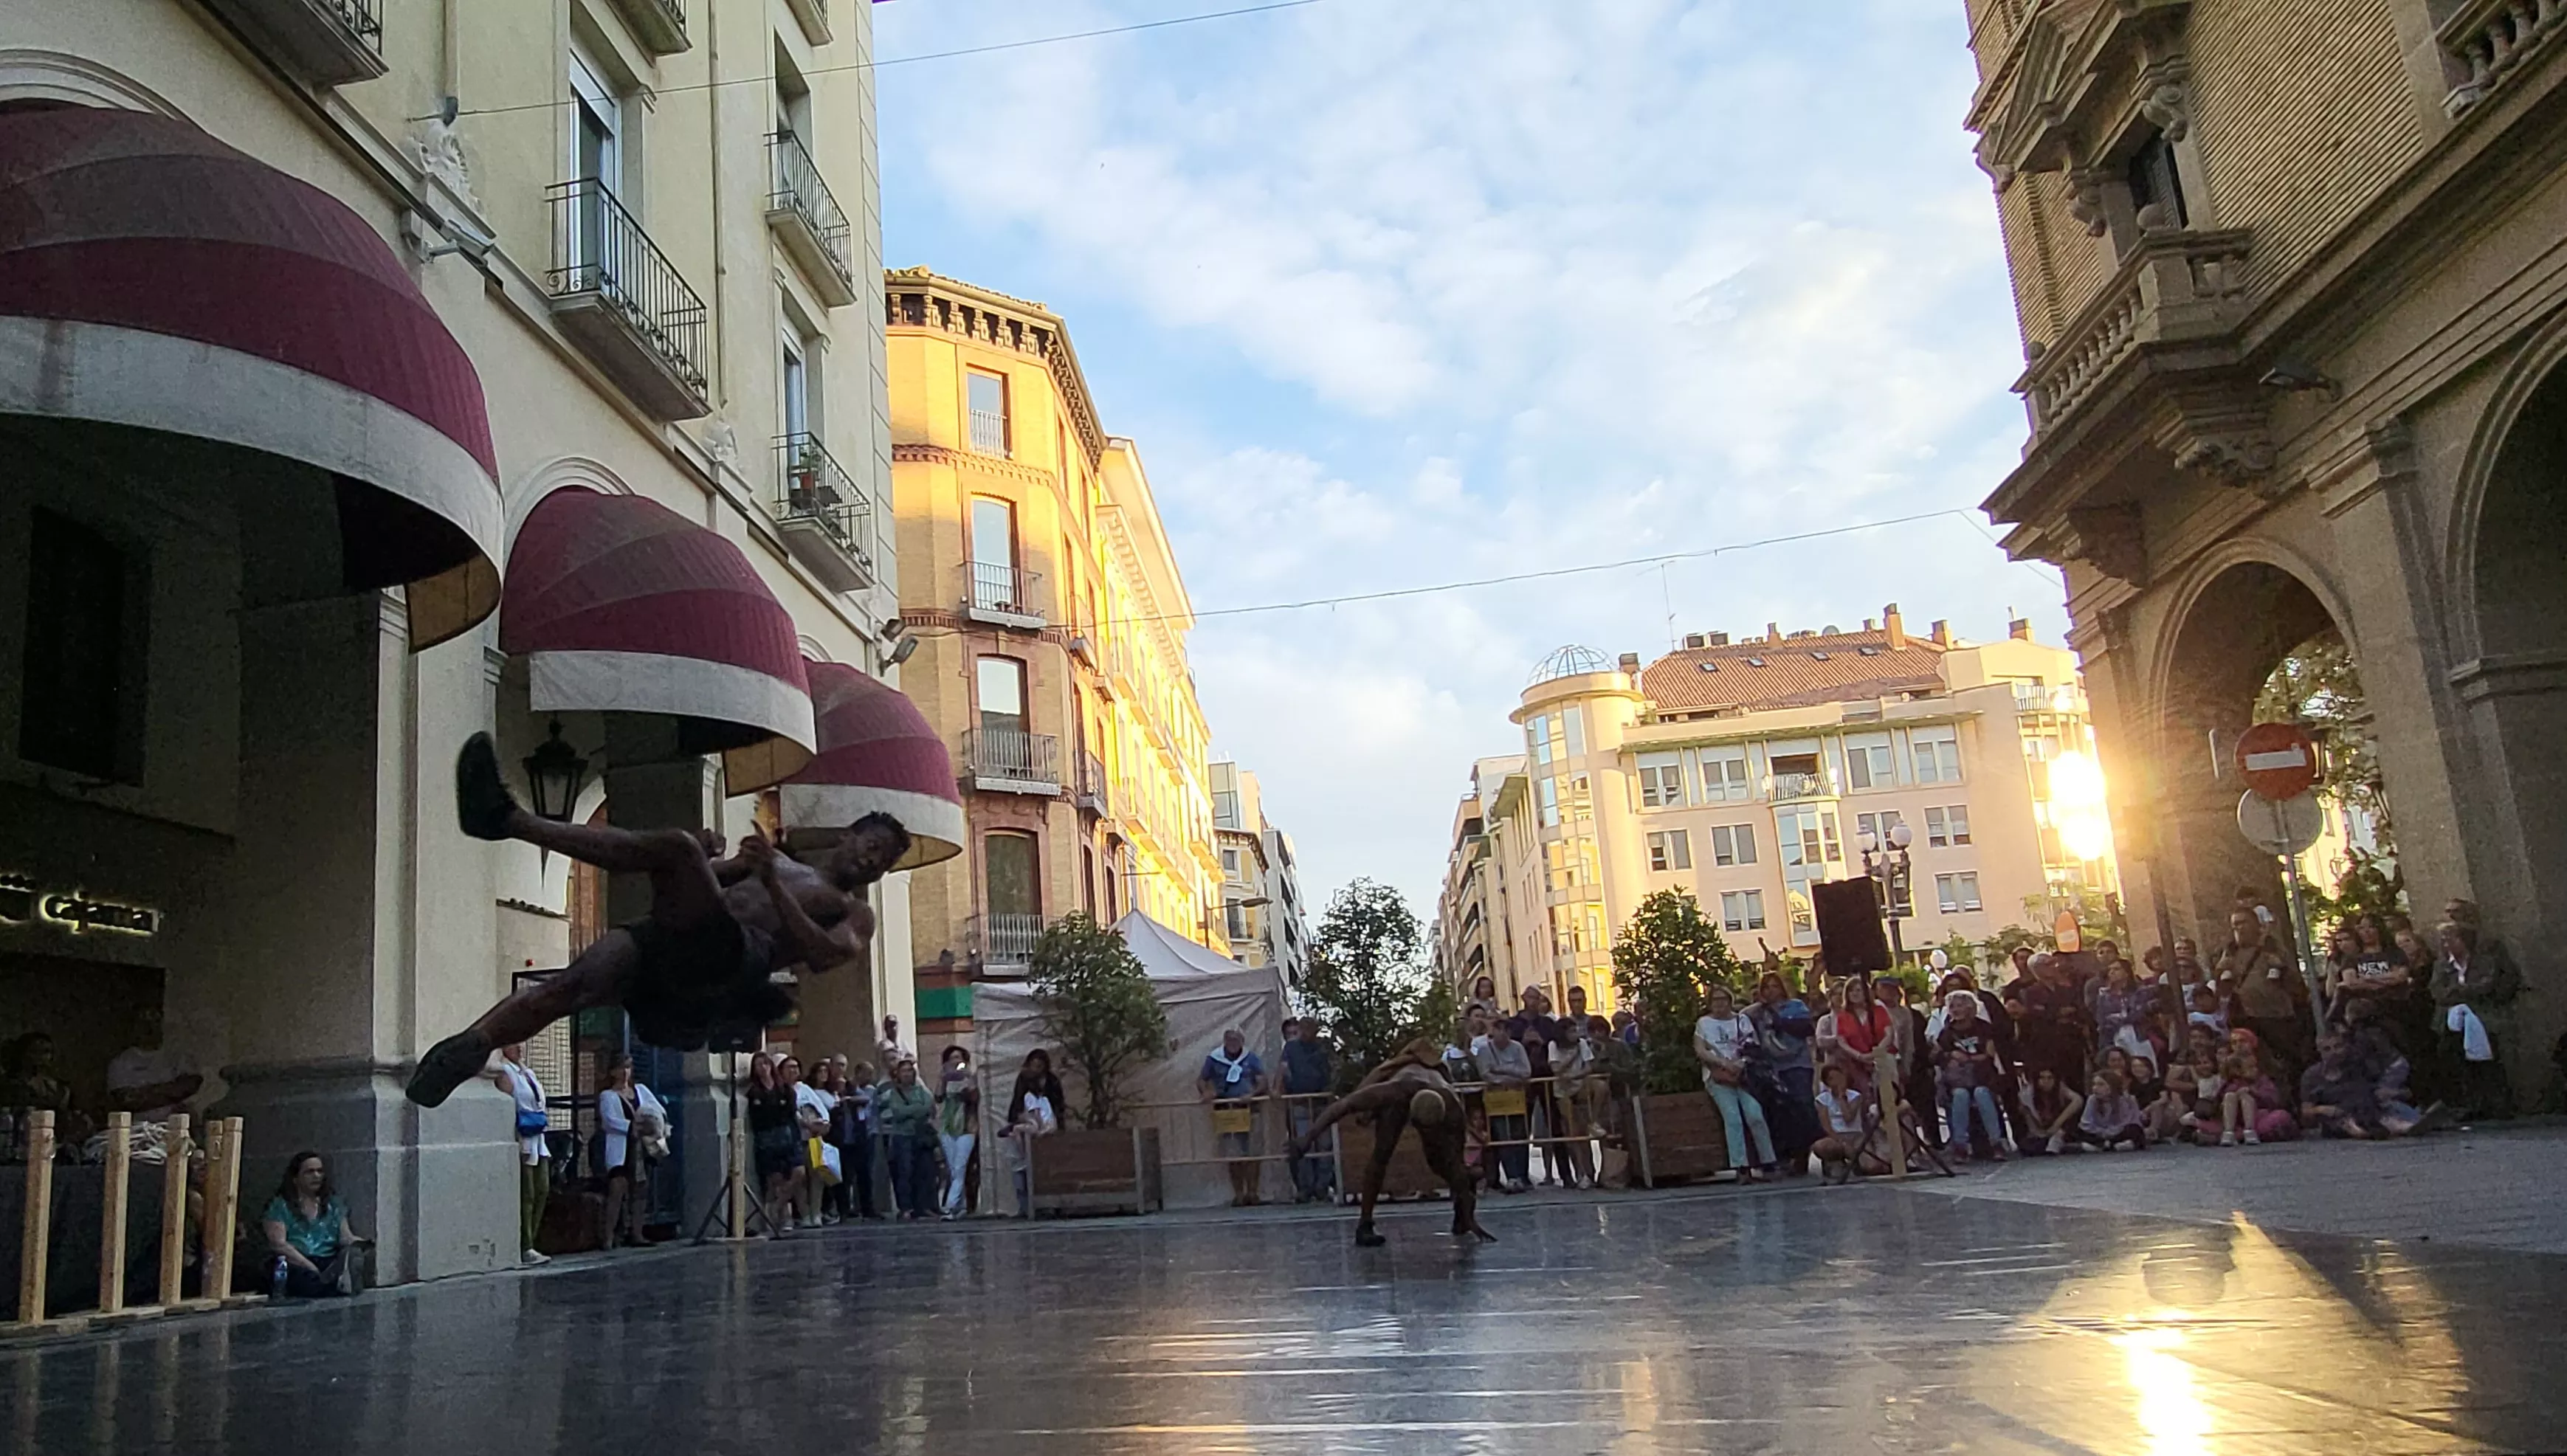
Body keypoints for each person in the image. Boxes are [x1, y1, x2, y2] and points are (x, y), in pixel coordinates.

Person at [408, 734, 910, 1107]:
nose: (871, 861)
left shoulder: (854, 911)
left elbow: (824, 956)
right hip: (674, 938)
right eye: (871, 846)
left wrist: (765, 883)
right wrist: (713, 862)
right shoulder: (777, 858)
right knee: (569, 986)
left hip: (732, 959)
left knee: (676, 847)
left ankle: (505, 820)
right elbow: (710, 882)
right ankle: (472, 1046)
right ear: (848, 835)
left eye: (881, 860)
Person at [1289, 1042, 1492, 1247]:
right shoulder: (1394, 1092)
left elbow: (1455, 1161)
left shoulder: (1451, 1109)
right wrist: (1307, 1139)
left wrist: (1470, 1215)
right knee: (1382, 1153)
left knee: (1441, 1162)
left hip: (1436, 1100)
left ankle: (1463, 1205)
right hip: (1401, 1094)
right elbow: (1343, 1106)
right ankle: (1365, 1223)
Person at [2431, 918, 2521, 1121]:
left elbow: (2486, 986)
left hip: (2484, 1016)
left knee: (2490, 1060)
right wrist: (2462, 991)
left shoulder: (2485, 961)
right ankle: (2470, 1103)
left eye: (2451, 940)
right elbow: (2438, 992)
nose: (2447, 946)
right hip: (2453, 1020)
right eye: (2444, 942)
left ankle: (2499, 1103)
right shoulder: (2442, 965)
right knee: (2456, 1058)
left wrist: (2459, 990)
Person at [2216, 908, 2310, 1088]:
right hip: (2246, 1017)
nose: (2239, 928)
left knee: (2284, 1064)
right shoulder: (2230, 953)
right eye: (2235, 925)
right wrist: (2222, 971)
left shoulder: (2273, 948)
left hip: (2277, 1016)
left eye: (2244, 923)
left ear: (2256, 925)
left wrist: (2279, 967)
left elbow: (2295, 982)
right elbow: (2222, 989)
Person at [1694, 985, 1777, 1182]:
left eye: (1723, 999)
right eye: (1715, 1000)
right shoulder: (1704, 1023)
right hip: (1718, 1076)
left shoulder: (1742, 1020)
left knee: (1755, 1114)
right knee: (1733, 1118)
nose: (1719, 1004)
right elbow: (1701, 1049)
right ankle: (1741, 1166)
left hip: (1743, 1076)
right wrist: (1722, 1063)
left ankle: (1768, 1161)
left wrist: (1741, 1063)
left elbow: (1752, 1047)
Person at [260, 1152, 368, 1298]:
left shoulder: (333, 1204)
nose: (316, 1176)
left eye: (320, 1171)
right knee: (304, 1280)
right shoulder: (280, 1206)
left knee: (333, 1271)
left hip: (326, 1259)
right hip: (296, 1261)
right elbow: (279, 1244)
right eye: (310, 1172)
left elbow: (345, 1236)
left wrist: (359, 1245)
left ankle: (335, 1280)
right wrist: (310, 1267)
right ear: (295, 1178)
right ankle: (332, 1284)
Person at [1746, 973, 1819, 1176]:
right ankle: (1784, 1155)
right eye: (1767, 987)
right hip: (1773, 1068)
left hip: (1797, 1065)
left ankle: (1805, 1153)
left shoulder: (1795, 1006)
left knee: (1803, 1106)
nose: (1771, 991)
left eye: (1774, 986)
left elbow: (1806, 1028)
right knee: (1781, 1113)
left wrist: (1781, 1022)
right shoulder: (1757, 1013)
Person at [2299, 1030, 2421, 1139]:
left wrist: (2395, 1092)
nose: (2334, 1052)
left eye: (2338, 1046)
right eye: (2327, 1049)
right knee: (2343, 1122)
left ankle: (2407, 1123)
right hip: (2339, 1117)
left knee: (2391, 1107)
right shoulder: (2312, 1076)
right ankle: (2370, 1129)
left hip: (2368, 1109)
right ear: (2319, 1051)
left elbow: (2373, 1090)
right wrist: (2321, 1109)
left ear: (2345, 1047)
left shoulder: (2357, 1066)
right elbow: (2306, 1112)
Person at [1196, 1028, 1267, 1207]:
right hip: (1227, 1111)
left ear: (1242, 1041)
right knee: (1233, 1154)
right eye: (1230, 1040)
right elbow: (1201, 1079)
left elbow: (1263, 1080)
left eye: (1237, 1040)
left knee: (1253, 1154)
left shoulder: (1251, 1058)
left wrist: (1252, 1094)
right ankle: (1239, 1194)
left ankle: (1253, 1193)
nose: (1233, 1043)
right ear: (1225, 1041)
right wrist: (1207, 1092)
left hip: (1250, 1109)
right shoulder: (1214, 1058)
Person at [493, 1043, 551, 1263]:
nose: (520, 1047)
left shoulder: (527, 1072)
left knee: (542, 1189)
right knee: (527, 1192)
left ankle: (532, 1239)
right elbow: (509, 1105)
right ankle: (525, 1245)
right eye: (514, 1043)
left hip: (538, 1136)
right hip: (523, 1135)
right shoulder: (504, 1071)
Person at [1934, 990, 2008, 1162]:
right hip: (1958, 1080)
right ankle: (1961, 1145)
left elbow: (1989, 1054)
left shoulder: (1984, 1028)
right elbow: (1938, 1056)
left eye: (1960, 1006)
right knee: (1960, 1095)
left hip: (1983, 1076)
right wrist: (1951, 1055)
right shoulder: (1946, 1033)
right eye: (1952, 1007)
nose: (1956, 1010)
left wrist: (1968, 1058)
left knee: (1982, 1094)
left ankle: (1996, 1142)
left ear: (1970, 1007)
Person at [596, 1054, 661, 1249]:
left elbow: (657, 1109)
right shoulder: (608, 1096)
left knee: (640, 1190)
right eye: (621, 1068)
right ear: (612, 1072)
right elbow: (610, 1121)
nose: (625, 1072)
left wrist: (653, 1124)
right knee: (617, 1190)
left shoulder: (641, 1091)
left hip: (640, 1148)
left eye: (628, 1067)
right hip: (622, 1149)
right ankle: (608, 1236)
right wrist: (633, 1127)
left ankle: (637, 1233)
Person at [106, 1004, 203, 1124]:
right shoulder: (120, 1063)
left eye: (155, 1021)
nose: (149, 1027)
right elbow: (128, 1101)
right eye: (144, 1022)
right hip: (138, 1131)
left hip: (177, 1128)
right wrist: (171, 1090)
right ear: (134, 1026)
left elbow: (190, 1086)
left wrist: (145, 1091)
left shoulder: (178, 1056)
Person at [1278, 1018, 1337, 1203]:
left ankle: (1322, 1186)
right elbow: (1284, 1071)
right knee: (1303, 1145)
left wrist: (1330, 1092)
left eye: (1309, 1029)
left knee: (1325, 1146)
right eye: (1302, 1029)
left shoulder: (1324, 1048)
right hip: (1299, 1103)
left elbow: (1333, 1071)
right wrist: (1280, 1090)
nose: (1305, 1032)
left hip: (1322, 1103)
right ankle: (1305, 1188)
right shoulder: (1290, 1049)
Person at [1875, 979, 1940, 1146]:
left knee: (1924, 1095)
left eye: (1893, 989)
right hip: (1883, 1064)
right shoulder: (1875, 1013)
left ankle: (1932, 1139)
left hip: (1911, 1064)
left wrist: (1907, 1066)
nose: (1890, 993)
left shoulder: (1910, 1014)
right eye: (1885, 989)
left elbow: (1914, 1043)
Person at [741, 1052, 801, 1232]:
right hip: (768, 1140)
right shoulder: (754, 1093)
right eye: (758, 1065)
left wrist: (796, 1137)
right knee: (776, 1179)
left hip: (787, 1136)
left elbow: (792, 1115)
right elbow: (758, 1119)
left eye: (765, 1064)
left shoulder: (785, 1090)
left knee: (799, 1173)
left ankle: (776, 1208)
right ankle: (783, 1217)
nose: (763, 1068)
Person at [1002, 1049, 1065, 1217]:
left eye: (1040, 1066)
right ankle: (1025, 1207)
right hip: (1027, 1127)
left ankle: (1048, 1205)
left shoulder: (1051, 1083)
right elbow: (1017, 1106)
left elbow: (1058, 1108)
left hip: (1043, 1131)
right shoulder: (1024, 1082)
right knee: (1020, 1169)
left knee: (1043, 1170)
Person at [874, 1057, 939, 1219]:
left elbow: (929, 1108)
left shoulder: (921, 1091)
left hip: (921, 1136)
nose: (907, 1074)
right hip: (903, 1136)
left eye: (910, 1070)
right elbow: (898, 1112)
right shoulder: (895, 1093)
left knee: (924, 1171)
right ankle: (905, 1207)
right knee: (904, 1172)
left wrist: (912, 1110)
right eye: (904, 1071)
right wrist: (916, 1110)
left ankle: (924, 1206)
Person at [0, 1032, 90, 1146]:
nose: (41, 1057)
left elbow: (80, 1118)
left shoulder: (59, 1087)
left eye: (46, 1052)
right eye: (34, 1052)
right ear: (21, 1054)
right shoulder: (8, 1085)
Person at [1477, 1018, 1534, 1193]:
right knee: (1503, 1137)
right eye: (1498, 1029)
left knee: (1520, 1136)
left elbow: (1526, 1072)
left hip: (1516, 1099)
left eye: (1505, 1030)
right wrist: (1508, 1078)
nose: (1502, 1034)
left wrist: (1501, 1071)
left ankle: (1522, 1176)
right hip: (1497, 1101)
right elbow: (1486, 1074)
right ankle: (1512, 1177)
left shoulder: (1517, 1048)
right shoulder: (1485, 1050)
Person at [1815, 974, 1897, 1092]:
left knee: (1887, 1095)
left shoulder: (1878, 1010)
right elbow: (1842, 1040)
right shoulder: (1843, 1016)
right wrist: (1860, 1056)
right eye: (1851, 991)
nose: (1855, 993)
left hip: (1882, 1059)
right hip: (1855, 1064)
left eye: (1858, 990)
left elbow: (1889, 1034)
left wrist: (1876, 1052)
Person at [1546, 1015, 1599, 1188]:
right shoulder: (1554, 1046)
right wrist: (1572, 1057)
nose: (1576, 1033)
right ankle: (1580, 1172)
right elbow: (1556, 1069)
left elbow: (1590, 1066)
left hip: (1579, 1086)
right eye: (1572, 1031)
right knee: (1573, 1133)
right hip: (1563, 1092)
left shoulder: (1582, 1044)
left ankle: (1590, 1172)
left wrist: (1575, 1076)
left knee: (1583, 1132)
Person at [1810, 1063, 1885, 1183]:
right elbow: (1826, 1124)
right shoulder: (1823, 1099)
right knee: (1821, 1146)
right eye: (1832, 1079)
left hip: (1855, 1135)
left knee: (1872, 1167)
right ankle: (1835, 1161)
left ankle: (1857, 1163)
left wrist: (1842, 1098)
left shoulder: (1855, 1096)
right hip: (1836, 1136)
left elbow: (1848, 1117)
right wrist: (1840, 1141)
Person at [2218, 1027, 2294, 1146]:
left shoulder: (2264, 1071)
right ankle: (2229, 1132)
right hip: (2235, 1117)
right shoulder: (2230, 1073)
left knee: (2279, 1117)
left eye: (2242, 1041)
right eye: (2234, 1043)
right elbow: (2221, 1095)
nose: (2238, 1046)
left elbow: (2273, 1098)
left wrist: (2253, 1091)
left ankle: (2248, 1132)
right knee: (2230, 1097)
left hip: (2259, 1113)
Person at [831, 1059, 881, 1221]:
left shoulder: (857, 1090)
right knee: (844, 1176)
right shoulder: (836, 1092)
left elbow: (865, 1099)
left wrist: (850, 1099)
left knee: (864, 1174)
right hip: (842, 1138)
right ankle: (843, 1209)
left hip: (860, 1136)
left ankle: (867, 1208)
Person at [790, 1056, 838, 1225]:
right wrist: (805, 1123)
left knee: (817, 1174)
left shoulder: (804, 1089)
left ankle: (816, 1213)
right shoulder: (782, 1089)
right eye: (789, 1068)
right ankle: (804, 1214)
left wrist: (823, 1123)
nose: (793, 1071)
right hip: (795, 1138)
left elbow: (821, 1108)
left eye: (796, 1067)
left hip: (814, 1137)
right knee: (800, 1177)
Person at [933, 1046, 979, 1218]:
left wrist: (968, 1077)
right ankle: (961, 1206)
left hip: (967, 1126)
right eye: (952, 1058)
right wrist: (943, 1078)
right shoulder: (946, 1078)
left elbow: (974, 1098)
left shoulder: (970, 1077)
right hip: (948, 1127)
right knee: (953, 1169)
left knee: (960, 1167)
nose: (956, 1061)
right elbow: (938, 1097)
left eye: (959, 1057)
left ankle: (950, 1206)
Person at [2016, 1066, 2083, 1156]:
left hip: (2060, 1128)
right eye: (2042, 1078)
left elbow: (2078, 1100)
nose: (2046, 1081)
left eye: (2050, 1078)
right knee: (2027, 1146)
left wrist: (2057, 1124)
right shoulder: (2027, 1095)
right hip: (2040, 1132)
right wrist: (2043, 1134)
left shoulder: (2060, 1088)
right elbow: (2030, 1123)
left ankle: (2058, 1142)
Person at [2075, 1071, 2147, 1150]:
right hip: (2099, 1133)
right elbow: (2086, 1123)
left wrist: (2110, 1133)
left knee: (2135, 1130)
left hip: (2119, 1132)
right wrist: (2102, 1133)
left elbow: (2128, 1122)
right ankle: (2108, 1145)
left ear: (2112, 1086)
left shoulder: (2127, 1099)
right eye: (2094, 1084)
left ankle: (2106, 1145)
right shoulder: (2092, 1099)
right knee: (2079, 1131)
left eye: (2101, 1085)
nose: (2095, 1088)